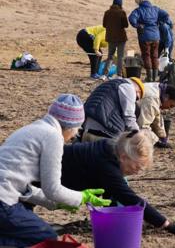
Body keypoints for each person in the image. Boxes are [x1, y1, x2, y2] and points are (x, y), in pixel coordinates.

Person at [0, 94, 111, 247]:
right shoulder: (53, 136)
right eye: (77, 130)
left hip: (5, 195)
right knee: (46, 236)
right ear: (70, 126)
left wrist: (56, 204)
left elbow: (20, 185)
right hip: (3, 201)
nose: (74, 135)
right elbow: (52, 188)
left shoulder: (34, 128)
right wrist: (81, 197)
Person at [61, 131, 175, 235]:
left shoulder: (108, 148)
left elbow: (111, 190)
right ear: (124, 157)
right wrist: (165, 224)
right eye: (137, 166)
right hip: (46, 177)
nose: (138, 172)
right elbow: (129, 198)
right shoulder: (107, 167)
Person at [82, 77, 145, 141]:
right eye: (137, 98)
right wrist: (138, 135)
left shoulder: (110, 84)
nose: (135, 100)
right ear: (138, 91)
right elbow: (129, 116)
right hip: (104, 134)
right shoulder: (129, 88)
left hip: (86, 130)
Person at [129, 0, 171, 82]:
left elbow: (131, 19)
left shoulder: (138, 10)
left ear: (138, 1)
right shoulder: (155, 9)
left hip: (144, 36)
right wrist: (160, 23)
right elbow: (166, 16)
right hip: (156, 36)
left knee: (146, 56)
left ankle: (150, 77)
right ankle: (155, 76)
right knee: (155, 56)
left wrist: (137, 25)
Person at [137, 83, 175, 148]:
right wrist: (156, 141)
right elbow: (143, 126)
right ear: (166, 97)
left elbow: (157, 116)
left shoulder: (158, 91)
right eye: (171, 105)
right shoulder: (152, 100)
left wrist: (162, 136)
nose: (169, 108)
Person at [103, 0, 129, 78]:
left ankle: (104, 74)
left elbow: (104, 25)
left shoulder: (107, 12)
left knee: (110, 56)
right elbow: (126, 25)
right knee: (120, 57)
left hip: (110, 37)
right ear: (120, 3)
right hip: (121, 38)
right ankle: (119, 75)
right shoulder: (122, 12)